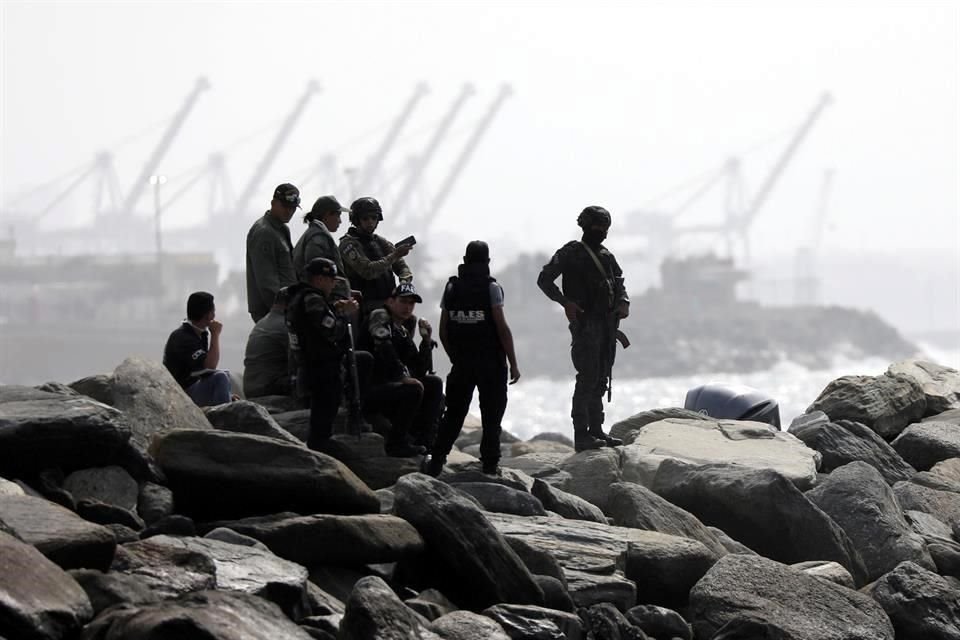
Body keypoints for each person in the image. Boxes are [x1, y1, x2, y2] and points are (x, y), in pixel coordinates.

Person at [537, 206, 629, 452]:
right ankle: (581, 434)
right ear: (586, 226)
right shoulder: (571, 253)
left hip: (607, 324)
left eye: (605, 228)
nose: (602, 232)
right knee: (587, 378)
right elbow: (544, 279)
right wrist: (565, 303)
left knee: (601, 378)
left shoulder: (606, 255)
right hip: (586, 324)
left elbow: (619, 282)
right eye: (598, 227)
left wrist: (623, 302)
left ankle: (596, 430)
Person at [428, 241, 521, 476]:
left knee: (453, 416)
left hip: (462, 363)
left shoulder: (451, 288)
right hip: (491, 363)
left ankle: (436, 461)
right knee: (492, 415)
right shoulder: (492, 288)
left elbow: (443, 330)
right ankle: (490, 465)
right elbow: (502, 328)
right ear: (487, 262)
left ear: (465, 259)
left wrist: (455, 358)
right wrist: (513, 363)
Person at [285, 258, 359, 450]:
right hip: (320, 365)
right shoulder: (312, 298)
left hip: (310, 364)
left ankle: (321, 442)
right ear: (318, 279)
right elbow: (330, 329)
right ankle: (320, 446)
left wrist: (335, 308)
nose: (334, 283)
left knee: (324, 408)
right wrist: (345, 314)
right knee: (324, 409)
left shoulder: (300, 296)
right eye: (331, 279)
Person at [362, 282, 439, 457]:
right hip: (371, 387)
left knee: (433, 383)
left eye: (411, 303)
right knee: (413, 389)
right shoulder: (380, 316)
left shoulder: (402, 329)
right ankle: (396, 443)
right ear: (390, 301)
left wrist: (426, 341)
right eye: (403, 301)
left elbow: (419, 368)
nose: (407, 307)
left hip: (390, 388)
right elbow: (383, 345)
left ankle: (425, 441)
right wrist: (401, 376)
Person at [339, 197, 413, 318]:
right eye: (365, 218)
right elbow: (368, 271)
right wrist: (395, 255)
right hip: (364, 306)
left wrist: (404, 283)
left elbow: (402, 267)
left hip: (389, 302)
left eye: (374, 218)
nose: (370, 222)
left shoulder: (380, 242)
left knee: (410, 320)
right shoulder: (348, 245)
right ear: (357, 220)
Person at [163, 291, 233, 407]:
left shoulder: (199, 333)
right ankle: (225, 418)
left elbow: (203, 370)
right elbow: (210, 365)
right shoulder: (182, 337)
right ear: (208, 315)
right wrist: (215, 334)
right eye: (213, 311)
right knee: (220, 377)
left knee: (225, 375)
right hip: (179, 393)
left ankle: (226, 403)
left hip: (193, 386)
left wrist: (226, 393)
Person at [247, 183, 301, 323]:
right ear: (273, 203)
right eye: (285, 207)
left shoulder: (282, 229)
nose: (289, 211)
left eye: (293, 208)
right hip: (272, 311)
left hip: (286, 307)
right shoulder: (264, 232)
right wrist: (281, 310)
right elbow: (266, 283)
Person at [242, 287, 293, 398]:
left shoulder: (264, 321)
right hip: (267, 388)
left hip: (253, 387)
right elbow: (298, 361)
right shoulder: (285, 325)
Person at [293, 195, 350, 278]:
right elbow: (318, 277)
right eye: (338, 215)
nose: (340, 221)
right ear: (327, 215)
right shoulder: (318, 238)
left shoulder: (316, 234)